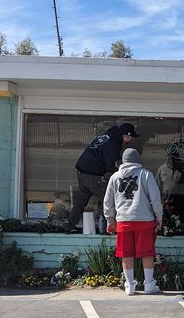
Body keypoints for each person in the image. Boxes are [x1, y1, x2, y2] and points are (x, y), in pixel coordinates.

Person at [104, 148, 163, 295]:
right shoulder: (146, 174)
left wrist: (110, 219)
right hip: (145, 220)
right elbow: (155, 198)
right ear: (138, 160)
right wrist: (159, 216)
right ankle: (149, 284)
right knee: (147, 253)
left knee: (126, 254)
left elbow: (108, 201)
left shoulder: (115, 177)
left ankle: (130, 286)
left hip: (123, 221)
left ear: (123, 161)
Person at [64, 123, 139, 233]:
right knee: (107, 200)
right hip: (93, 175)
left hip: (82, 171)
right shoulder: (113, 144)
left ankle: (70, 225)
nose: (130, 140)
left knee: (81, 200)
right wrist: (122, 172)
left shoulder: (107, 136)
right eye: (130, 137)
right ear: (125, 135)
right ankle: (107, 228)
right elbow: (109, 166)